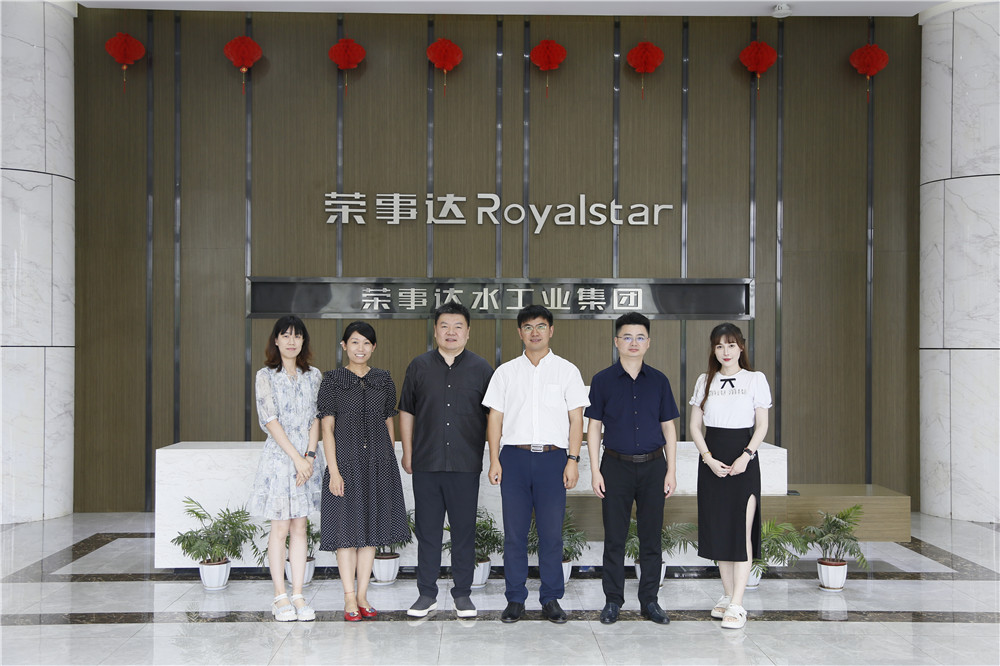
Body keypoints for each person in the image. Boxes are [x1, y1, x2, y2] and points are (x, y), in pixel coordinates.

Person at [483, 304, 590, 624]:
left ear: (551, 330)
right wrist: (494, 459)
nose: (534, 332)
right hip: (514, 458)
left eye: (541, 326)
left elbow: (576, 420)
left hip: (554, 459)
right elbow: (495, 418)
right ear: (520, 332)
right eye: (528, 327)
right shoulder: (506, 372)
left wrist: (573, 460)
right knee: (514, 534)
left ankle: (551, 598)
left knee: (551, 534)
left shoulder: (567, 371)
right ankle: (515, 598)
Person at [399, 303, 494, 618]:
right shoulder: (418, 366)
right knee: (428, 531)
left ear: (468, 331)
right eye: (444, 326)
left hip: (465, 464)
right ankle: (426, 594)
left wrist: (494, 457)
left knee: (464, 531)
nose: (451, 332)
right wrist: (408, 452)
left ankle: (462, 594)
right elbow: (407, 411)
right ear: (435, 330)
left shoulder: (482, 369)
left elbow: (493, 417)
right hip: (426, 463)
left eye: (457, 326)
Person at [586, 312, 679, 625]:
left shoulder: (660, 381)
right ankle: (613, 601)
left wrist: (671, 470)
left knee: (651, 539)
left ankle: (650, 601)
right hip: (615, 467)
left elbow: (668, 427)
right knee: (615, 538)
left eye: (640, 337)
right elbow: (594, 427)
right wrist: (595, 470)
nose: (633, 343)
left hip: (654, 467)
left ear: (648, 342)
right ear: (617, 342)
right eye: (627, 337)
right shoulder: (602, 380)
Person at [317, 321, 409, 622]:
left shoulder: (383, 379)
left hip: (378, 463)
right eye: (355, 342)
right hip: (345, 463)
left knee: (371, 532)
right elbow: (327, 428)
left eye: (367, 343)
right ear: (344, 345)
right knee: (346, 532)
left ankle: (363, 595)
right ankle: (348, 596)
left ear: (374, 347)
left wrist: (390, 460)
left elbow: (388, 421)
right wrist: (333, 471)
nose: (361, 348)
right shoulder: (332, 380)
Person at [689, 322, 772, 630]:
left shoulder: (755, 379)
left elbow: (762, 425)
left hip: (744, 460)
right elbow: (695, 426)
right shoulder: (704, 380)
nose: (726, 351)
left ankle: (738, 603)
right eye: (719, 346)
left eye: (731, 345)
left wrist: (746, 455)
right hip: (712, 460)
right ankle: (726, 595)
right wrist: (708, 458)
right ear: (714, 349)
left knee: (741, 530)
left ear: (741, 347)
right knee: (720, 530)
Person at [248, 315, 322, 622]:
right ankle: (280, 596)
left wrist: (310, 456)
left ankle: (298, 594)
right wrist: (297, 458)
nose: (292, 341)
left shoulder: (314, 376)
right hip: (280, 461)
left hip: (307, 460)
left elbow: (317, 417)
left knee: (300, 527)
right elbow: (270, 420)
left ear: (304, 341)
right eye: (286, 335)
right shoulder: (265, 375)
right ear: (276, 340)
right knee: (280, 528)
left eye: (297, 336)